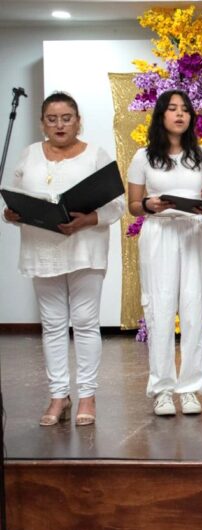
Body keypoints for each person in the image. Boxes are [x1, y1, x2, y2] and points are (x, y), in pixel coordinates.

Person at [2, 91, 125, 426]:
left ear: (78, 121)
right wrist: (11, 214)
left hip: (85, 250)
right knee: (53, 325)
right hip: (42, 250)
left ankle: (87, 396)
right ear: (43, 123)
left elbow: (117, 206)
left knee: (85, 324)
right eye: (52, 119)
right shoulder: (29, 155)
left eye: (66, 118)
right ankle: (59, 396)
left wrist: (86, 220)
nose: (59, 124)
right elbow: (13, 201)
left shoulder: (95, 156)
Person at [127, 90, 202, 416]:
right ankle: (163, 389)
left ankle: (190, 388)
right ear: (161, 115)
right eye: (172, 109)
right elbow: (134, 205)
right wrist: (150, 205)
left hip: (193, 231)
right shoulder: (144, 156)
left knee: (195, 308)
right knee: (160, 309)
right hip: (159, 231)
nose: (180, 114)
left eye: (185, 109)